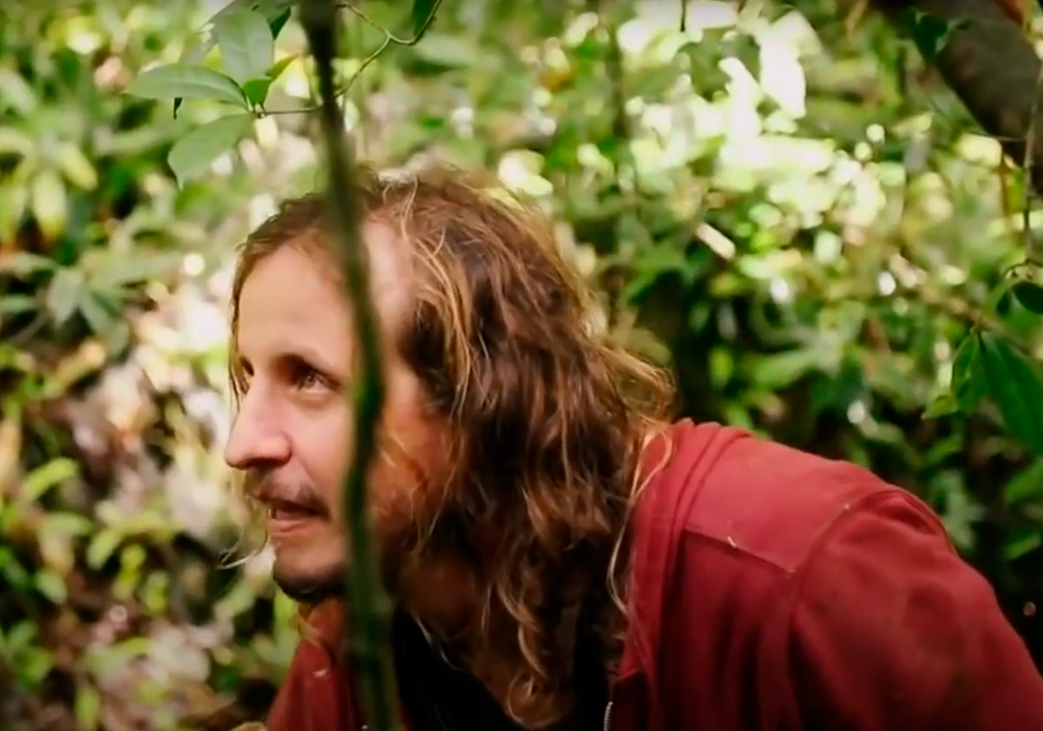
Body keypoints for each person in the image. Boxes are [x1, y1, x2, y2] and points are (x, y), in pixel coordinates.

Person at [222, 165, 1043, 731]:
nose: (243, 442)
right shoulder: (359, 651)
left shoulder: (807, 575)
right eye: (248, 377)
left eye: (311, 379)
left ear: (476, 395)